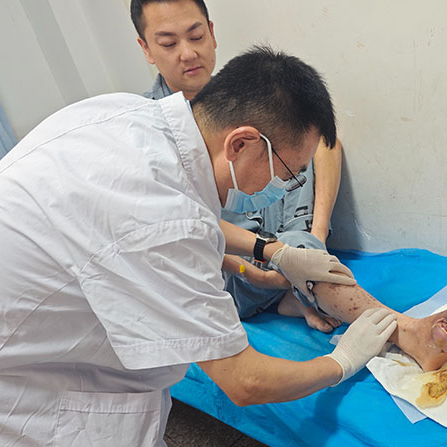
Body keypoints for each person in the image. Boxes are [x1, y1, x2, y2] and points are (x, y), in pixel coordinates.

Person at [0, 45, 447, 447]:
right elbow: (245, 382)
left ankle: (409, 332)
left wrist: (274, 250)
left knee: (305, 255)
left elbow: (176, 218)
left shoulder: (128, 117)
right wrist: (343, 360)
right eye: (287, 174)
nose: (284, 188)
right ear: (241, 144)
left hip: (40, 322)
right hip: (22, 395)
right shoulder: (162, 219)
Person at [132, 0, 345, 334]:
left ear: (211, 33)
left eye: (196, 36)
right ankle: (396, 326)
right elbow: (183, 233)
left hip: (286, 236)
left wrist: (314, 240)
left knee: (301, 146)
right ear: (146, 49)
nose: (188, 53)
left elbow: (324, 143)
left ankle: (298, 278)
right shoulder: (147, 136)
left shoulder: (242, 92)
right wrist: (257, 268)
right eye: (169, 43)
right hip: (233, 266)